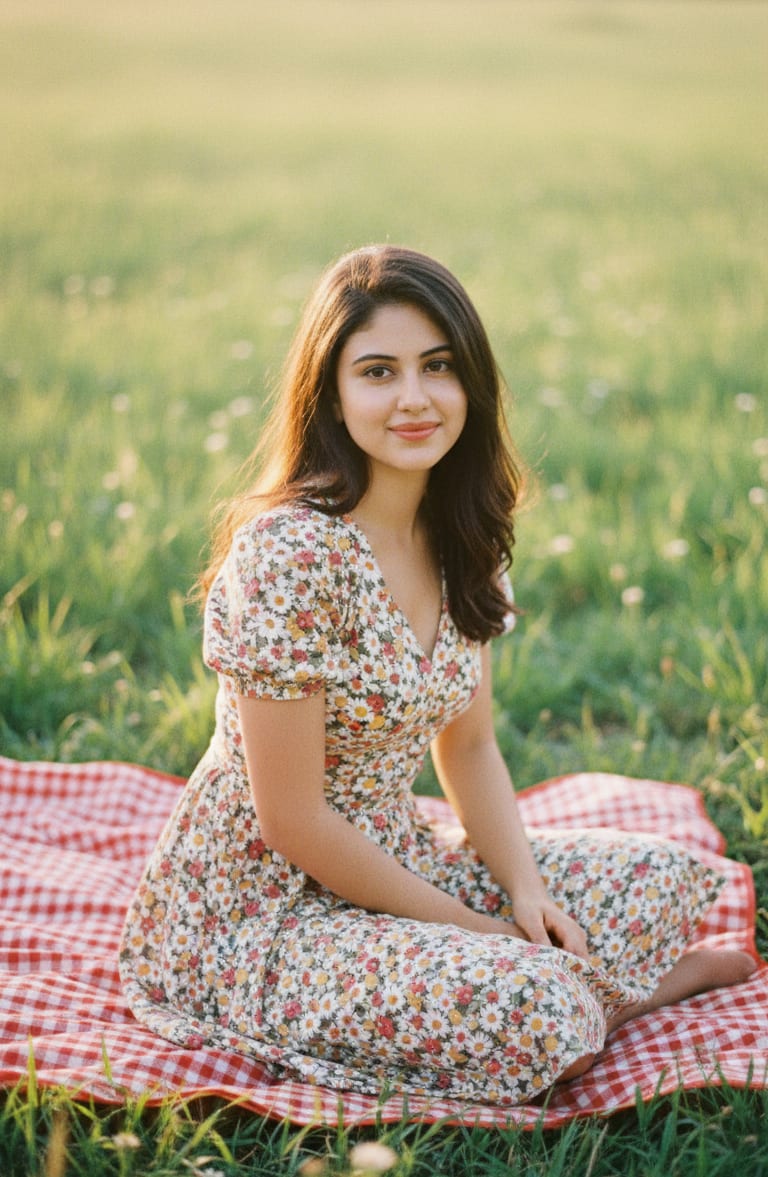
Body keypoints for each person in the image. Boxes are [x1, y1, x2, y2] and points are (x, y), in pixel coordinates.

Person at [119, 244, 755, 1106]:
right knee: (534, 1011)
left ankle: (588, 985)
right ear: (334, 398)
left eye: (438, 367)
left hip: (395, 852)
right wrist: (477, 931)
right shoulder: (292, 553)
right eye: (378, 371)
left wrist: (523, 896)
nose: (414, 398)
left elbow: (473, 745)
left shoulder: (464, 544)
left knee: (665, 873)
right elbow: (294, 819)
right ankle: (617, 994)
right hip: (261, 910)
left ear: (471, 386)